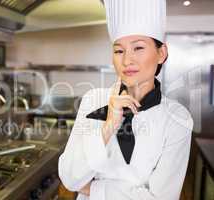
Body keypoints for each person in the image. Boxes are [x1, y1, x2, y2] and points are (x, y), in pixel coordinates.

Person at [58, 0, 194, 199]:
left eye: (138, 48)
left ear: (161, 53)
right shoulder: (92, 100)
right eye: (119, 50)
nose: (127, 60)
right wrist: (108, 126)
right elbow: (70, 179)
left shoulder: (178, 119)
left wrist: (94, 189)